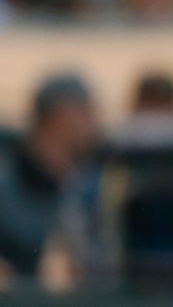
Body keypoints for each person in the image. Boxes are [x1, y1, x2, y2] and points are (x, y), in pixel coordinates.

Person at [0, 74, 99, 281]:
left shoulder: (88, 182)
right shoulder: (8, 186)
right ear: (61, 116)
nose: (93, 122)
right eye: (85, 112)